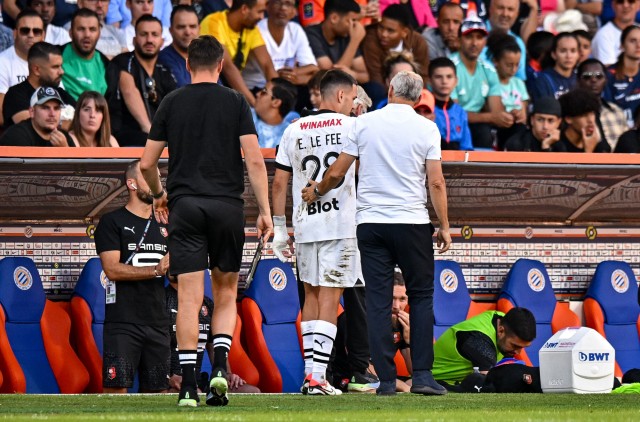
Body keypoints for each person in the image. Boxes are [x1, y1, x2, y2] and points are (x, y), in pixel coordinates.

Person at [140, 35, 272, 407]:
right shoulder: (235, 102)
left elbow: (147, 163)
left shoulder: (171, 101)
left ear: (187, 65)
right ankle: (219, 368)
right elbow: (255, 160)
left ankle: (185, 389)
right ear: (220, 65)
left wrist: (158, 194)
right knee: (226, 291)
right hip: (227, 207)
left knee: (188, 298)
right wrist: (264, 211)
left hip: (186, 206)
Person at [301, 70, 451, 396]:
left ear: (391, 89)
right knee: (421, 298)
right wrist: (445, 225)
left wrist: (317, 190)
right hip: (413, 223)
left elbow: (338, 172)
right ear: (419, 95)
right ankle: (423, 376)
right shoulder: (427, 128)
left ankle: (384, 379)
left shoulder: (363, 124)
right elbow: (436, 182)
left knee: (379, 302)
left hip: (371, 225)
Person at [272, 69, 359, 396]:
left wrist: (280, 227)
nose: (353, 104)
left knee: (310, 296)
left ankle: (311, 375)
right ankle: (317, 378)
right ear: (340, 95)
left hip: (306, 224)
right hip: (340, 223)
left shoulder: (293, 129)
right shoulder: (353, 126)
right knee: (330, 297)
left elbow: (279, 181)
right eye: (352, 98)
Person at [94, 160, 170, 394]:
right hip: (123, 323)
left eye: (157, 177)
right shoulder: (112, 221)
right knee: (116, 392)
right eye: (148, 177)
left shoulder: (166, 223)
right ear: (132, 184)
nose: (156, 183)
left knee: (157, 395)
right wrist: (155, 271)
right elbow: (112, 269)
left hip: (159, 322)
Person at [165, 278, 260, 394]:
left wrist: (226, 374)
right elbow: (151, 349)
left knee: (251, 391)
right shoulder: (162, 300)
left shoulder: (207, 304)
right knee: (196, 393)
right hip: (170, 383)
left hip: (199, 381)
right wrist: (168, 378)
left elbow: (214, 348)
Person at [107, 14, 177, 146]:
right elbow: (129, 91)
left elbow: (174, 106)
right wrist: (150, 131)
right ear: (134, 39)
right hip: (124, 134)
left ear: (162, 41)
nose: (149, 39)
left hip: (158, 137)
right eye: (144, 34)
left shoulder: (165, 71)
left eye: (154, 35)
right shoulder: (124, 61)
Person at [432, 308, 536, 389]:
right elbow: (490, 385)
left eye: (522, 347)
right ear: (500, 330)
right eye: (514, 345)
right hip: (438, 382)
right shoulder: (480, 341)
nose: (518, 352)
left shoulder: (502, 320)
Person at [200, 0, 278, 106]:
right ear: (244, 9)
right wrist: (255, 104)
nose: (262, 17)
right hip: (210, 91)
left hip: (232, 92)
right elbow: (227, 67)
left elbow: (267, 65)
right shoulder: (214, 21)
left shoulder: (251, 28)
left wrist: (277, 98)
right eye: (260, 11)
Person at [450, 16, 505, 149]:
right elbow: (453, 114)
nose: (474, 43)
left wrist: (507, 116)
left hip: (478, 123)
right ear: (459, 40)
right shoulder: (450, 67)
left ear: (485, 42)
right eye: (469, 37)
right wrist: (489, 117)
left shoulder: (489, 69)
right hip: (452, 124)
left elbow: (496, 112)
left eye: (479, 38)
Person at [242, 0, 318, 92]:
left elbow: (313, 69)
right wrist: (298, 75)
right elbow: (272, 74)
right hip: (256, 89)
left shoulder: (295, 29)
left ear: (295, 11)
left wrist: (296, 74)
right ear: (267, 6)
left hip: (285, 86)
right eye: (278, 2)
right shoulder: (256, 30)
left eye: (288, 4)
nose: (283, 7)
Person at [362, 4, 430, 104]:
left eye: (390, 31)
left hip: (412, 93)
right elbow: (376, 77)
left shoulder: (418, 42)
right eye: (381, 27)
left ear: (404, 32)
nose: (384, 34)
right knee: (376, 89)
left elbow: (423, 75)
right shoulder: (371, 39)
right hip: (384, 93)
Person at [2, 41, 75, 130]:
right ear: (36, 69)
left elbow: (82, 120)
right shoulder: (16, 94)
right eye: (55, 67)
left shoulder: (60, 93)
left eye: (61, 66)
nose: (61, 72)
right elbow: (36, 128)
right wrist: (64, 124)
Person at [305, 0, 369, 84]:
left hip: (342, 89)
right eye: (352, 20)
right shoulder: (311, 34)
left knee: (374, 88)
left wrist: (353, 74)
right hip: (317, 91)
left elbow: (365, 76)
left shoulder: (346, 35)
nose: (354, 26)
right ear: (334, 18)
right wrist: (355, 41)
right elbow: (330, 78)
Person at [0, 10, 44, 127]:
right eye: (25, 30)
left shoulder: (48, 62)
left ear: (43, 36)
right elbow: (0, 114)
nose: (31, 35)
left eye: (36, 31)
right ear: (14, 34)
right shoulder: (2, 62)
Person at [486, 32, 528, 150]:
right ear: (496, 61)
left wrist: (518, 114)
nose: (514, 69)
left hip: (516, 130)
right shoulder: (489, 83)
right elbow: (490, 110)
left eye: (517, 65)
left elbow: (524, 114)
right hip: (496, 129)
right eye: (509, 65)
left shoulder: (519, 83)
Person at [578, 58, 628, 150]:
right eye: (587, 76)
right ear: (578, 81)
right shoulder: (572, 115)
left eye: (599, 76)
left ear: (605, 80)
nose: (593, 80)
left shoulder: (617, 112)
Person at [0, 86, 74, 147]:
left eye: (56, 108)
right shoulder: (17, 136)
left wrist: (65, 150)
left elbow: (78, 165)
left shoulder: (64, 138)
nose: (52, 114)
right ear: (32, 111)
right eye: (45, 108)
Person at [61, 8, 110, 100]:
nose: (87, 34)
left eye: (92, 29)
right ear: (70, 33)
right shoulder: (56, 56)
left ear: (99, 34)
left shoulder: (107, 66)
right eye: (81, 29)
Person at [428, 57, 473, 151]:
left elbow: (467, 147)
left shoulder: (460, 112)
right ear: (430, 81)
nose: (444, 81)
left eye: (449, 77)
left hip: (457, 163)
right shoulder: (423, 109)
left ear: (456, 81)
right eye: (438, 77)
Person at [480, 0, 531, 81]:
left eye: (510, 9)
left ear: (517, 14)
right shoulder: (476, 36)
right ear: (490, 9)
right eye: (500, 8)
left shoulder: (519, 43)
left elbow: (519, 80)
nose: (505, 14)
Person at [605, 25, 640, 128]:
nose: (638, 45)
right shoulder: (608, 75)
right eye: (632, 41)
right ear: (622, 45)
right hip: (615, 130)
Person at [557, 88, 612, 153]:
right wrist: (588, 151)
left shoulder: (598, 143)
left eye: (592, 114)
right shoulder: (559, 146)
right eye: (584, 116)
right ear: (568, 119)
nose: (590, 120)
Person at [158, 5, 200, 88]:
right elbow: (185, 93)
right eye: (181, 27)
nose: (187, 32)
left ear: (199, 29)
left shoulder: (206, 58)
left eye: (192, 26)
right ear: (171, 30)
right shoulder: (164, 58)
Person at [530, 32, 579, 103]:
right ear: (554, 54)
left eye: (573, 51)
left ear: (578, 54)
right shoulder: (542, 80)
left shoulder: (579, 79)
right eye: (563, 51)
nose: (568, 56)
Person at [252, 77, 298, 148]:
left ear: (276, 102)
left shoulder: (290, 136)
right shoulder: (243, 117)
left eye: (264, 92)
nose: (257, 94)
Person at [592, 0, 639, 66]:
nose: (625, 5)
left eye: (631, 1)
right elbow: (609, 72)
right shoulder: (603, 35)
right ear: (613, 5)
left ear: (638, 5)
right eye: (620, 2)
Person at [390, 271, 412, 392]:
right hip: (349, 379)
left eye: (402, 299)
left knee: (418, 382)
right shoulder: (363, 319)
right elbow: (365, 369)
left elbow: (415, 371)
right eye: (391, 298)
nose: (396, 306)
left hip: (383, 378)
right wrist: (402, 386)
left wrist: (409, 339)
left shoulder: (401, 323)